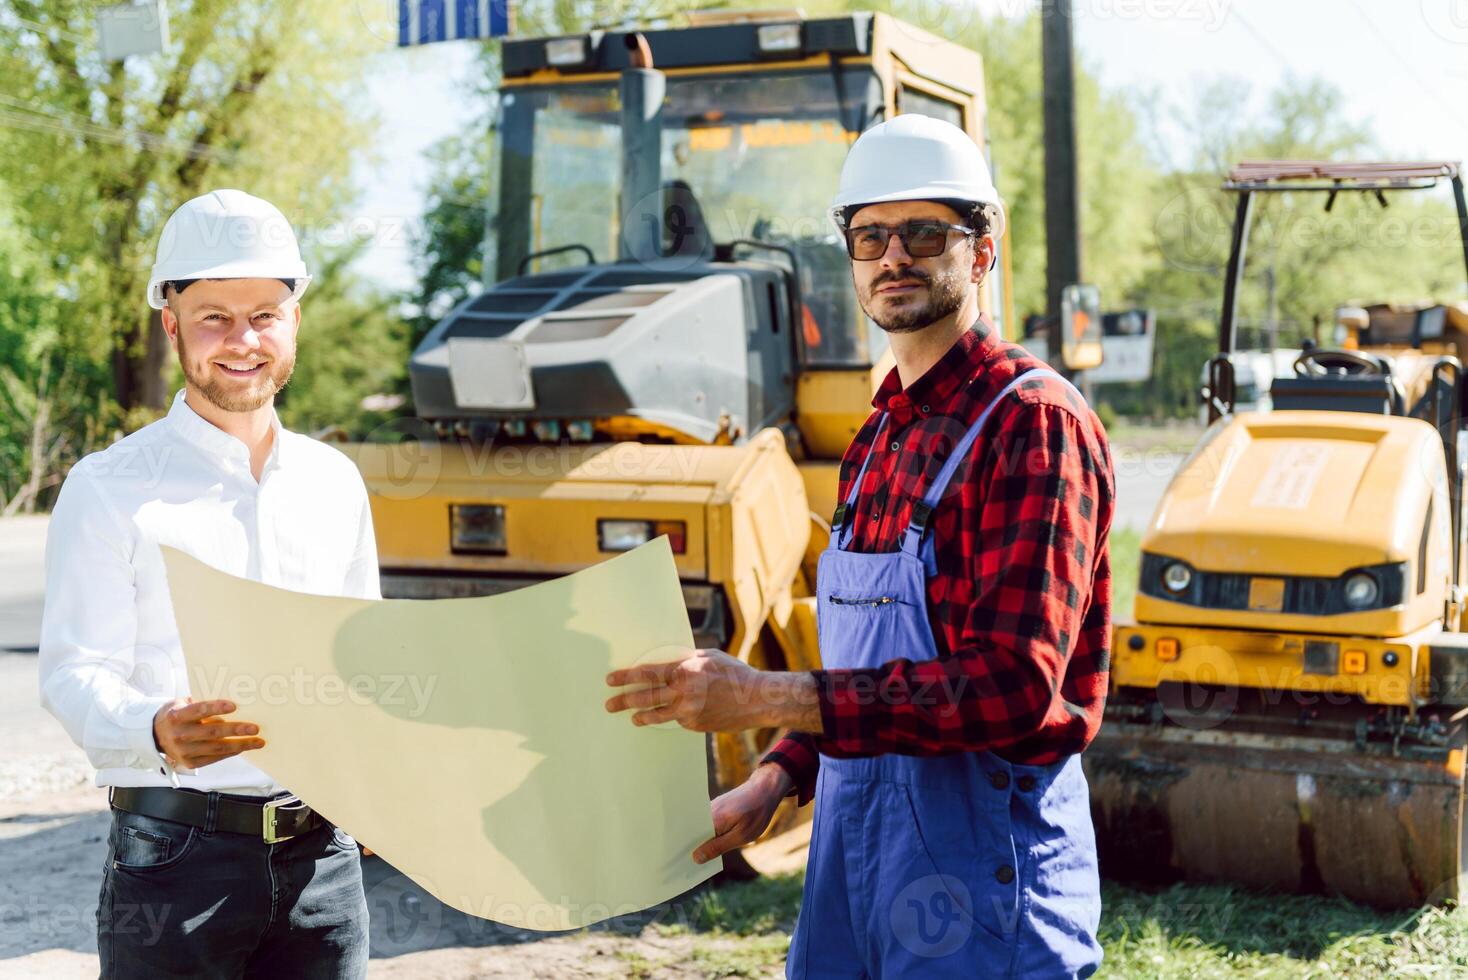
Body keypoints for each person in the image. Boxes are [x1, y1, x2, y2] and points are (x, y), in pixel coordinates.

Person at [605, 115, 1114, 978]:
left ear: (982, 250)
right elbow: (862, 665)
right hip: (854, 867)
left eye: (924, 232)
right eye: (870, 234)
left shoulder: (1032, 424)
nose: (893, 257)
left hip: (986, 879)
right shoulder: (881, 434)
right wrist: (780, 773)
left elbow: (1012, 686)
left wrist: (765, 694)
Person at [39, 190, 379, 978]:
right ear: (171, 322)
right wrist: (155, 727)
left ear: (296, 318)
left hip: (325, 864)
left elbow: (361, 659)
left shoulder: (336, 483)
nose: (243, 340)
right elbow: (72, 673)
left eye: (264, 313)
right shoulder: (108, 486)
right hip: (174, 864)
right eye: (214, 316)